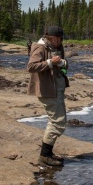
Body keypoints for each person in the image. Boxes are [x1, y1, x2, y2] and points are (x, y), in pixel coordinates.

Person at [27, 25, 69, 167]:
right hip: (47, 90)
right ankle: (44, 156)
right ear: (52, 37)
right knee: (57, 122)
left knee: (58, 121)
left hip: (57, 89)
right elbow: (31, 66)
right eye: (60, 38)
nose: (61, 41)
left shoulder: (57, 46)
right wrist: (51, 63)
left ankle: (48, 153)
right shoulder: (40, 47)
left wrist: (63, 63)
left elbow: (62, 64)